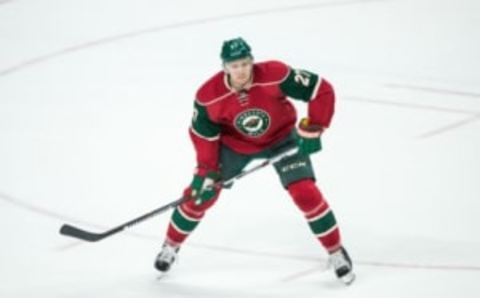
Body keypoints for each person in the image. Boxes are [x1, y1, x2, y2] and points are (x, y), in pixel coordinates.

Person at [154, 37, 355, 285]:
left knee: (305, 193)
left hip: (282, 139)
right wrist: (206, 170)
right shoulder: (208, 96)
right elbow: (203, 135)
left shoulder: (275, 74)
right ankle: (171, 246)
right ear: (224, 67)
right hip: (234, 146)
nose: (241, 70)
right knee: (200, 195)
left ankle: (335, 252)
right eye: (235, 65)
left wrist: (313, 127)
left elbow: (320, 89)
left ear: (252, 61)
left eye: (245, 63)